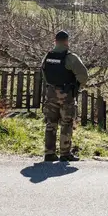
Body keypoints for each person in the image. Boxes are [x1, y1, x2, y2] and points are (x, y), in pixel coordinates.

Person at [40, 30, 89, 162]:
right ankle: (65, 153)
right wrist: (77, 86)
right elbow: (84, 75)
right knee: (66, 123)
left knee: (51, 124)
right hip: (66, 94)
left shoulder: (47, 56)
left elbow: (43, 73)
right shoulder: (70, 57)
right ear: (67, 41)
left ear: (55, 41)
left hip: (50, 94)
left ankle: (49, 153)